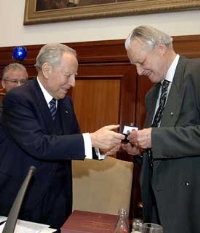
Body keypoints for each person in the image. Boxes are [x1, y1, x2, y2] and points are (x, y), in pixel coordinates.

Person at [0, 43, 125, 230]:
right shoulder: (18, 99)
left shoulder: (65, 102)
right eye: (68, 75)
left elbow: (71, 141)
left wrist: (99, 148)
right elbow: (39, 144)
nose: (73, 82)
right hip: (23, 197)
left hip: (58, 200)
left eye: (75, 75)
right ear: (47, 70)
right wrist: (91, 139)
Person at [123, 25, 200, 233]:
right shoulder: (152, 94)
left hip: (188, 207)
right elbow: (161, 148)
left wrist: (156, 139)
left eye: (141, 62)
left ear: (160, 48)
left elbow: (161, 139)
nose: (139, 72)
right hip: (155, 206)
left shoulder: (196, 73)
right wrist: (140, 150)